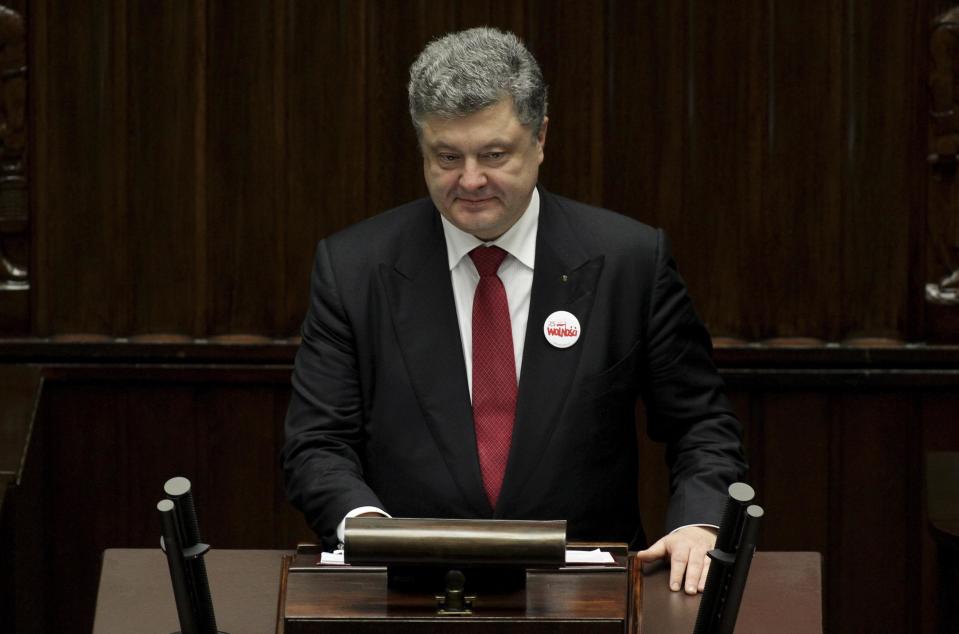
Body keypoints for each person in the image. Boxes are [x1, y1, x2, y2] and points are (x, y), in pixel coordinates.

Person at [282, 26, 746, 596]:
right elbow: (317, 443)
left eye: (494, 154)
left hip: (586, 597)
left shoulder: (630, 261)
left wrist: (696, 523)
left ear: (542, 137)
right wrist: (370, 530)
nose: (470, 180)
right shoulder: (353, 268)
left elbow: (701, 424)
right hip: (408, 594)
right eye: (447, 156)